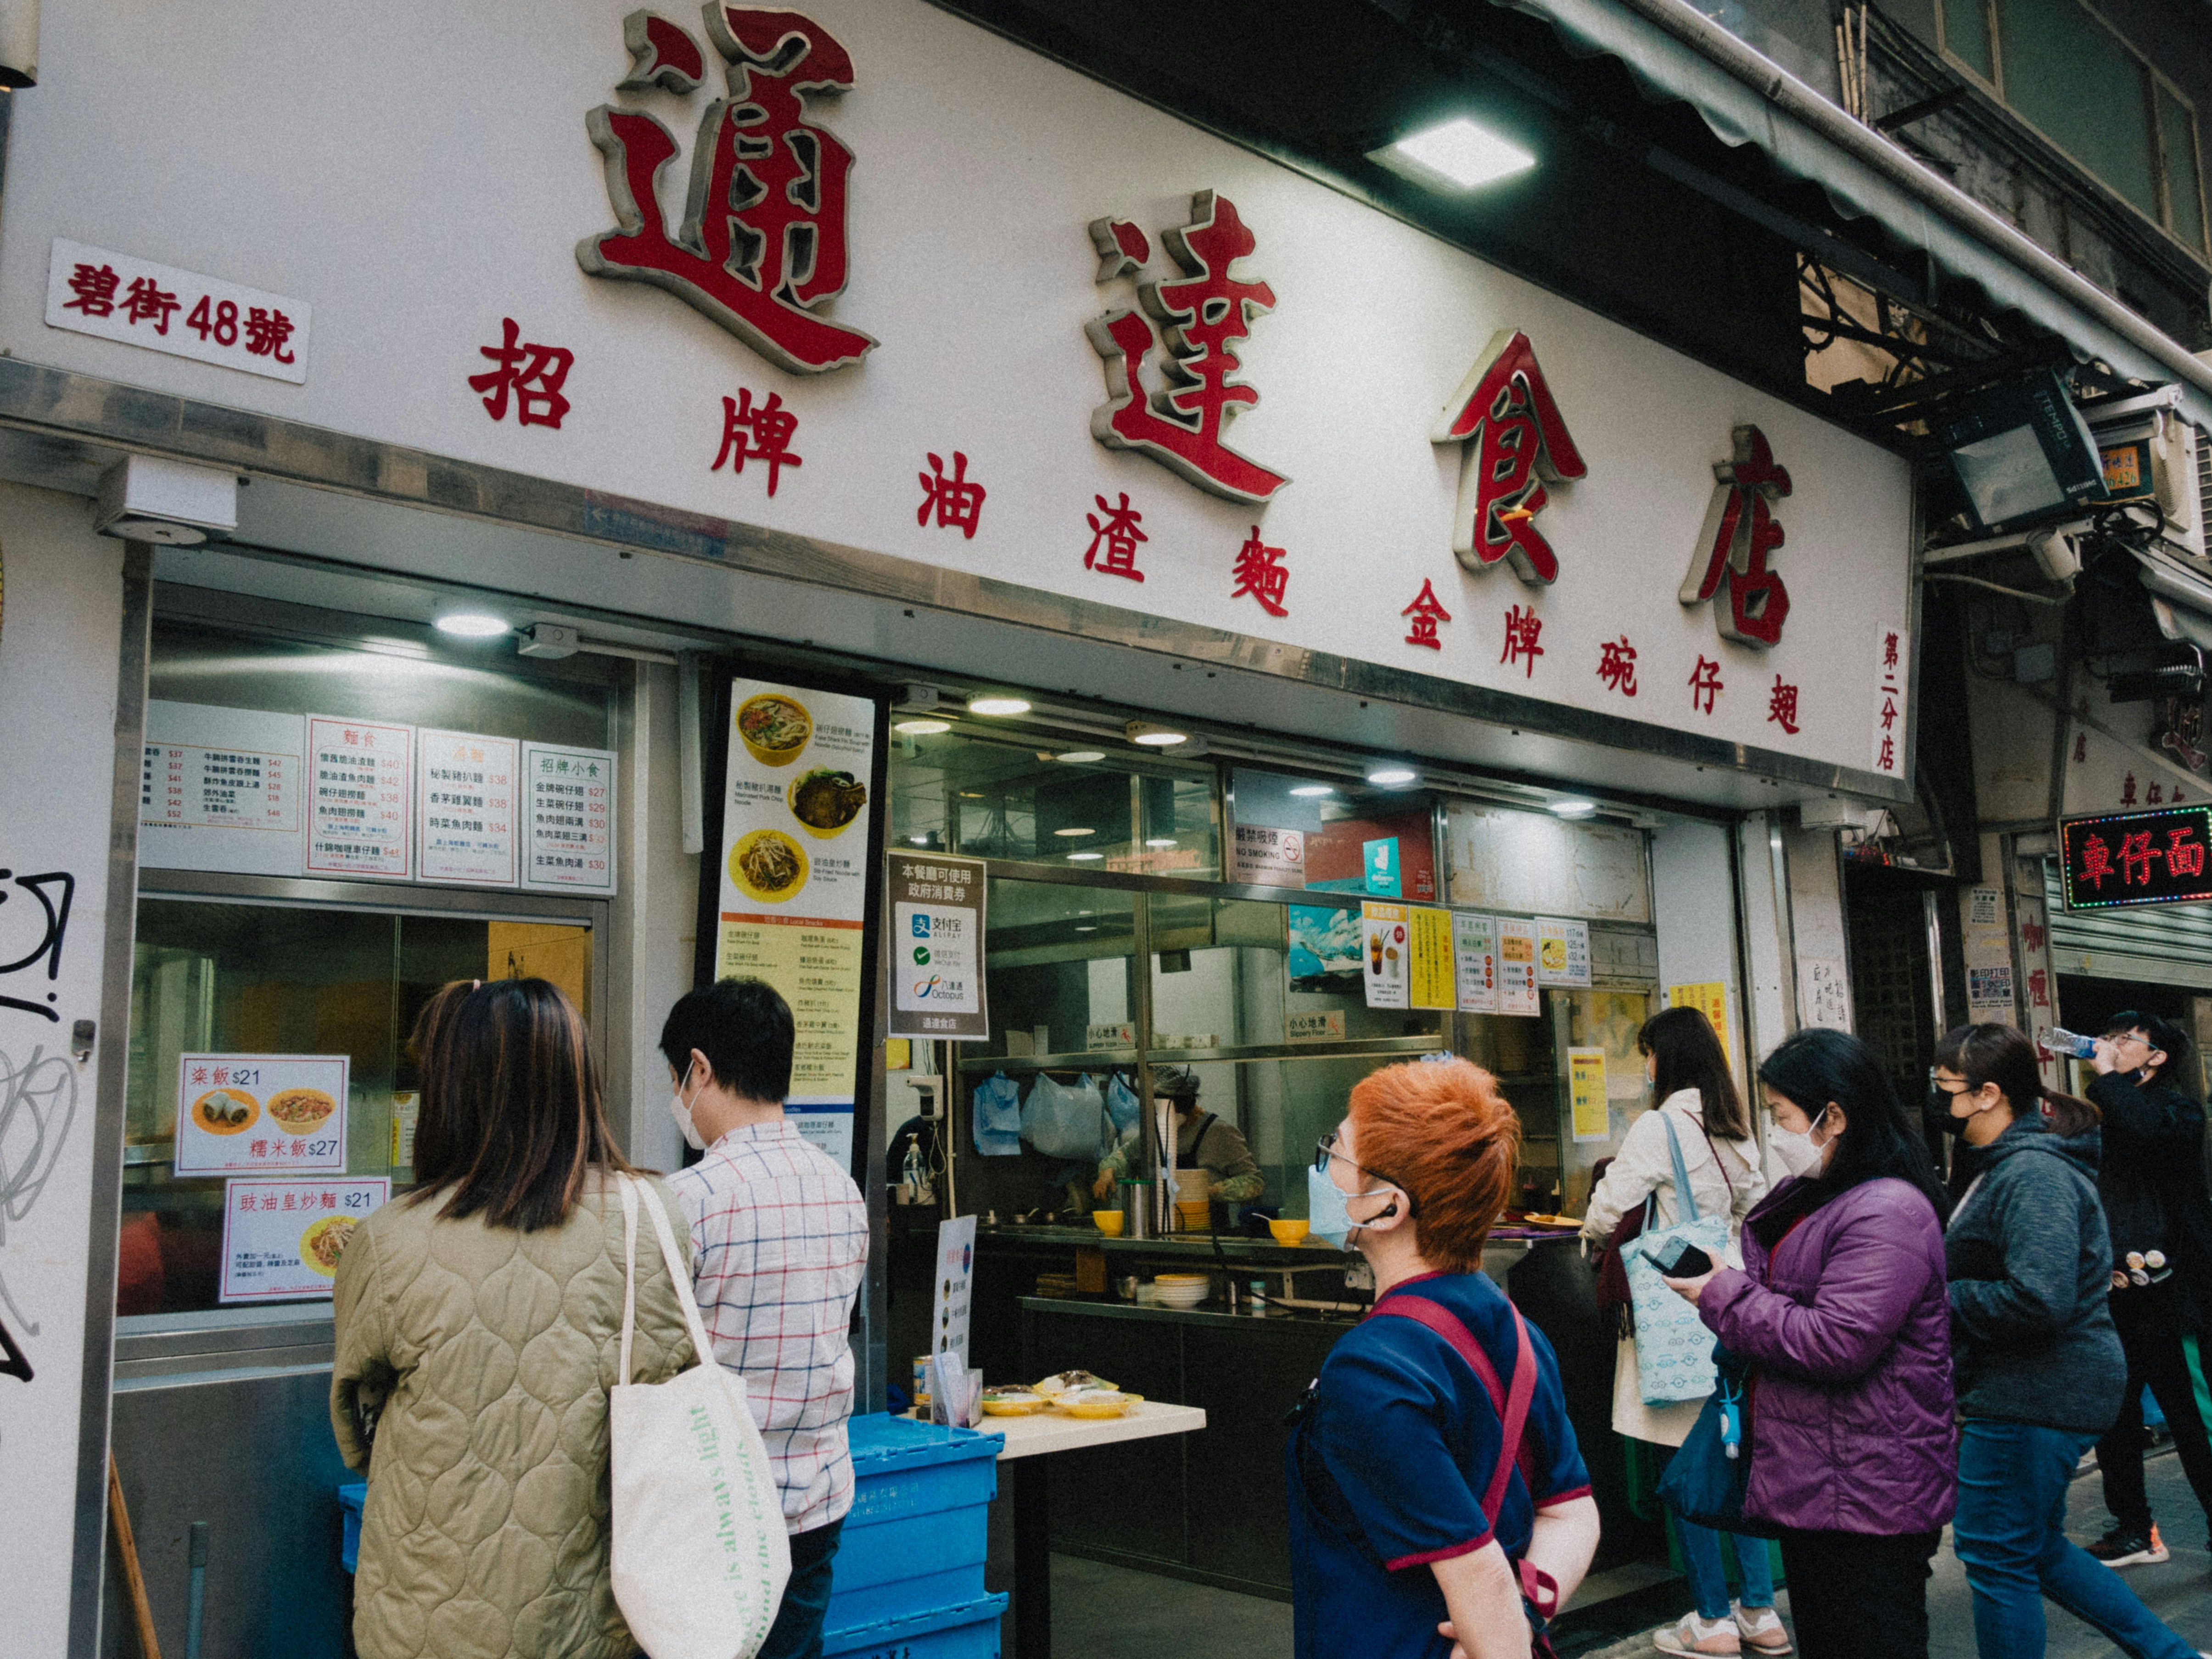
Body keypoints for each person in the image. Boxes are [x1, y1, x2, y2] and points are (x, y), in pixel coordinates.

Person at [332, 979, 698, 1659]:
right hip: (604, 1610)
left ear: (446, 1091)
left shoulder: (387, 1240)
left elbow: (356, 1433)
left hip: (430, 1612)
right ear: (577, 1081)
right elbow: (675, 1383)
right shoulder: (654, 1217)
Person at [1289, 1058, 1601, 1659]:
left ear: (1386, 1207)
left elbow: (1476, 1570)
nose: (1323, 1163)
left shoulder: (1370, 1369)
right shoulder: (1516, 1330)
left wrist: (1497, 1631)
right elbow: (1571, 1512)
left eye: (1336, 1149)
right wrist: (1524, 1607)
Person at [1662, 1028, 1955, 1659]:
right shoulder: (1829, 1200)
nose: (1775, 1133)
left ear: (1836, 1116)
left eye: (1781, 1116)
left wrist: (1723, 1293)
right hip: (1825, 1478)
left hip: (1869, 1490)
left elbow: (1836, 1340)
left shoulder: (1885, 1210)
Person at [1935, 1022, 2203, 1659]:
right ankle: (2170, 1654)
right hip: (2028, 1385)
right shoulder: (2002, 1163)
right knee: (2029, 1546)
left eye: (1944, 1087)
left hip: (2034, 1389)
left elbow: (2038, 1295)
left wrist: (1934, 1301)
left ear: (1986, 1094)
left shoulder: (2032, 1173)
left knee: (1994, 1552)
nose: (1937, 1102)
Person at [662, 976, 868, 1659]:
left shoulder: (686, 1200)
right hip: (815, 1501)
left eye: (676, 1077)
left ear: (699, 1069)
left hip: (710, 1514)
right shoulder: (842, 1189)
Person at [1581, 1008, 1781, 1657]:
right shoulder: (1736, 1128)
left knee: (1685, 1466)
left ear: (1663, 1058)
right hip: (1731, 1302)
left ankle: (1712, 1618)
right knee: (1733, 1454)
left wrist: (1590, 1241)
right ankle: (1760, 1611)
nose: (1642, 1066)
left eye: (1645, 1053)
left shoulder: (1657, 1124)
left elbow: (1609, 1205)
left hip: (1673, 1308)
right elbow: (1756, 1211)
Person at [2087, 1011, 2212, 1568]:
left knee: (2190, 1414)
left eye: (2124, 1040)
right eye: (2108, 1037)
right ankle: (2134, 1527)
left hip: (2174, 1292)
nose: (2110, 1046)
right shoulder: (2105, 1109)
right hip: (2115, 1289)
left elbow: (2148, 1130)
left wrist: (2108, 1080)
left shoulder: (2179, 1110)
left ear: (2157, 1056)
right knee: (2114, 1411)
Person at [1090, 1065, 1264, 1211]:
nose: (1161, 1118)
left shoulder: (1220, 1132)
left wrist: (1210, 1191)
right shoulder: (1155, 1131)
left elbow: (1254, 1183)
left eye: (1166, 1110)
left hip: (1206, 1229)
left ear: (1186, 1104)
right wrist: (1108, 1171)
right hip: (1162, 1225)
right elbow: (1122, 1155)